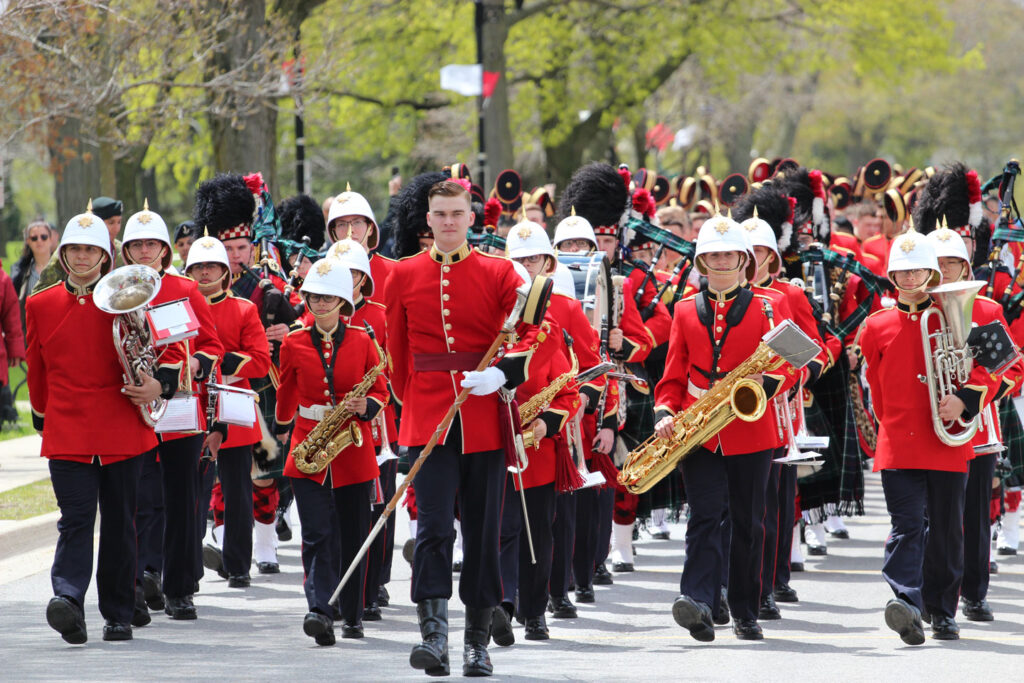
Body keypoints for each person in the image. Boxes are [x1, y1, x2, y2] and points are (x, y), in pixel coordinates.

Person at [386, 179, 539, 677]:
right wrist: (415, 408)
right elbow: (397, 354)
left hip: (484, 415)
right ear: (426, 219)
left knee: (482, 530)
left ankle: (477, 642)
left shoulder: (499, 272)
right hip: (429, 413)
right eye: (439, 214)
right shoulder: (403, 274)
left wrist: (503, 373)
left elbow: (533, 330)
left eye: (457, 213)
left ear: (472, 217)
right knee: (431, 528)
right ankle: (434, 637)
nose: (448, 222)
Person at [27, 206, 181, 644]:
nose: (80, 257)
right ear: (62, 254)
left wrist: (157, 386)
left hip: (122, 427)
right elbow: (37, 370)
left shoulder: (131, 297)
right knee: (74, 520)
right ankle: (69, 601)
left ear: (104, 255)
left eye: (90, 250)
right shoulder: (40, 303)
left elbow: (167, 351)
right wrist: (44, 416)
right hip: (68, 429)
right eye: (74, 248)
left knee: (119, 522)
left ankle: (117, 611)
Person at [654, 212, 795, 642]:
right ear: (701, 261)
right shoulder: (682, 310)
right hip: (700, 431)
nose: (720, 261)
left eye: (728, 254)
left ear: (744, 259)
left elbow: (791, 363)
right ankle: (697, 600)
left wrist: (762, 385)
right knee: (704, 517)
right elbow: (673, 376)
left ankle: (744, 609)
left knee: (750, 523)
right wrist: (664, 412)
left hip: (752, 430)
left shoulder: (771, 306)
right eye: (711, 255)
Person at [859, 228, 999, 645]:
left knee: (946, 529)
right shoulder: (874, 325)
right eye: (902, 270)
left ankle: (942, 610)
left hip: (949, 440)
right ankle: (906, 600)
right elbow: (878, 393)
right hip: (899, 440)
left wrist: (964, 400)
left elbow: (994, 366)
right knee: (905, 524)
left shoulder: (957, 313)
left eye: (918, 269)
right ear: (891, 274)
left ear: (932, 271)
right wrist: (894, 427)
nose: (909, 277)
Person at [275, 257, 388, 644]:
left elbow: (381, 390)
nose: (319, 303)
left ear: (343, 301)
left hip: (352, 447)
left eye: (328, 297)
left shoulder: (362, 340)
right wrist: (282, 422)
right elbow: (286, 391)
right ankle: (320, 609)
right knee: (317, 534)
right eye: (313, 297)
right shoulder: (292, 341)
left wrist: (366, 406)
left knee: (354, 534)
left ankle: (353, 613)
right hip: (308, 443)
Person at [121, 202, 223, 621]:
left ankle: (181, 588)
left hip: (180, 405)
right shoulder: (114, 290)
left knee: (183, 500)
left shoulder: (183, 289)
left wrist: (193, 365)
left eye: (153, 245)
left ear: (165, 250)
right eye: (137, 245)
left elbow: (212, 345)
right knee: (138, 498)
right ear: (126, 251)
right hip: (132, 407)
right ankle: (142, 576)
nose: (145, 251)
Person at [185, 232, 271, 588]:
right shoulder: (182, 306)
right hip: (191, 406)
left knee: (237, 491)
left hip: (231, 403)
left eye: (212, 267)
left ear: (225, 271)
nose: (205, 273)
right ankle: (187, 565)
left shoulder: (244, 309)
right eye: (198, 267)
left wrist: (219, 362)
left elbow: (262, 362)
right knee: (192, 492)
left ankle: (238, 564)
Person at [326, 237, 399, 620]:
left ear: (364, 279)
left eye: (352, 274)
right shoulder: (315, 317)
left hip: (374, 422)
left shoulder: (380, 316)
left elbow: (393, 368)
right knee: (333, 516)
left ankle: (370, 590)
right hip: (330, 429)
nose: (344, 281)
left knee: (374, 510)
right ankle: (335, 590)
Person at [34, 196, 124, 293]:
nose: (116, 229)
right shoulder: (64, 253)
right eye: (111, 223)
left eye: (119, 222)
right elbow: (41, 290)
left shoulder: (121, 250)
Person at [12, 219, 58, 330]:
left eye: (44, 237)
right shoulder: (20, 274)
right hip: (29, 332)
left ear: (51, 239)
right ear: (28, 241)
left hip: (56, 328)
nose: (39, 241)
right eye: (34, 238)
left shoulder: (63, 269)